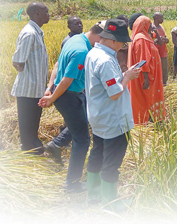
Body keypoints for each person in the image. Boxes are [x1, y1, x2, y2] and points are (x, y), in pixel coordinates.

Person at [38, 23, 102, 192]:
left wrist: (49, 88)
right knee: (82, 140)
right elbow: (67, 79)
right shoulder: (82, 51)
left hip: (66, 95)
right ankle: (72, 184)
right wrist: (51, 97)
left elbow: (58, 65)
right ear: (98, 37)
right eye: (102, 42)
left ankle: (56, 145)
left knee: (79, 131)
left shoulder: (74, 40)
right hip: (69, 97)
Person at [85, 19, 140, 208]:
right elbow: (115, 93)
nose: (123, 46)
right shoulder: (106, 61)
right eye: (123, 42)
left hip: (99, 116)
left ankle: (93, 193)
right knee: (111, 162)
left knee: (97, 153)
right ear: (114, 40)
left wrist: (123, 76)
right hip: (113, 119)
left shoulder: (93, 53)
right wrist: (127, 77)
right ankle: (110, 201)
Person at [43, 16, 85, 162]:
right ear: (68, 26)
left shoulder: (80, 41)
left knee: (79, 120)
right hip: (70, 89)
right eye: (75, 23)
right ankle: (58, 143)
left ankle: (59, 143)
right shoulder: (71, 43)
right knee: (80, 120)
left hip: (72, 88)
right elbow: (64, 69)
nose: (79, 25)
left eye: (80, 22)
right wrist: (51, 90)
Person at [11, 2, 50, 155]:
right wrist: (29, 76)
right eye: (45, 11)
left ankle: (33, 150)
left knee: (33, 125)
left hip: (35, 90)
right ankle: (29, 154)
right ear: (36, 13)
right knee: (27, 127)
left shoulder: (37, 32)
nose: (48, 14)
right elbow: (18, 61)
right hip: (27, 89)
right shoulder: (30, 34)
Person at [128, 16, 165, 124]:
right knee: (146, 99)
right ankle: (145, 121)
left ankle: (150, 120)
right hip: (148, 77)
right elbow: (142, 59)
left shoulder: (144, 37)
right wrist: (146, 78)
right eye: (149, 24)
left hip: (151, 75)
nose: (151, 26)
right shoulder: (141, 39)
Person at [152, 12, 169, 85]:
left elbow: (165, 37)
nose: (162, 19)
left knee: (164, 68)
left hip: (163, 51)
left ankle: (164, 83)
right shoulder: (151, 28)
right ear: (156, 18)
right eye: (161, 17)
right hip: (155, 52)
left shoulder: (161, 27)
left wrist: (166, 39)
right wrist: (156, 40)